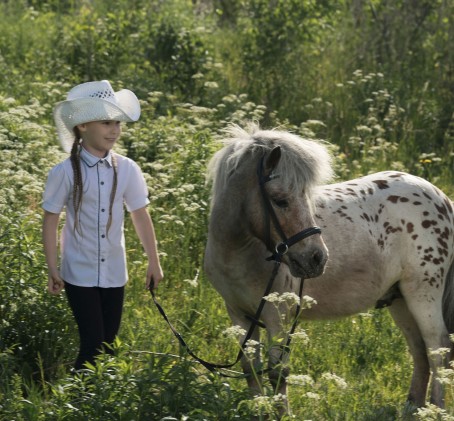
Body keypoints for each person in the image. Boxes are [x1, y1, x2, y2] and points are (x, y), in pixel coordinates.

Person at [42, 80, 163, 371]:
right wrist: (53, 268)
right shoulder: (64, 172)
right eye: (107, 122)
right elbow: (51, 219)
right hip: (78, 271)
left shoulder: (128, 169)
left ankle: (90, 399)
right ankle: (73, 402)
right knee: (93, 342)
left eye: (118, 123)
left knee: (108, 343)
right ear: (83, 125)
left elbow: (139, 214)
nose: (115, 130)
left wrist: (153, 261)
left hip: (114, 271)